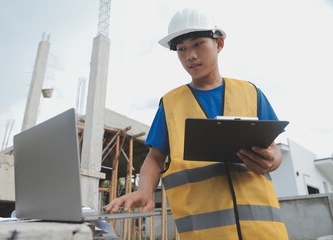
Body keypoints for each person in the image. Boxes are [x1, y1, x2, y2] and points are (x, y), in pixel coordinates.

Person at [105, 8, 289, 240]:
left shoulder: (250, 93)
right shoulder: (171, 104)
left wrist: (272, 161)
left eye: (198, 44)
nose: (190, 55)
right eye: (181, 49)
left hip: (264, 232)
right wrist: (145, 189)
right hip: (204, 234)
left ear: (219, 44)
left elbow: (273, 149)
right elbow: (155, 157)